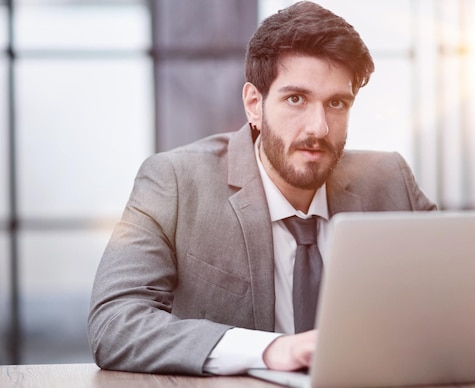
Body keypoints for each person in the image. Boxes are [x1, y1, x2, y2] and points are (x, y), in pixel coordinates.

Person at [87, 0, 436, 376]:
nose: (318, 127)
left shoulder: (391, 180)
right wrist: (271, 350)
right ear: (255, 104)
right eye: (296, 99)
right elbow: (115, 324)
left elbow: (463, 300)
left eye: (336, 103)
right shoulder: (174, 181)